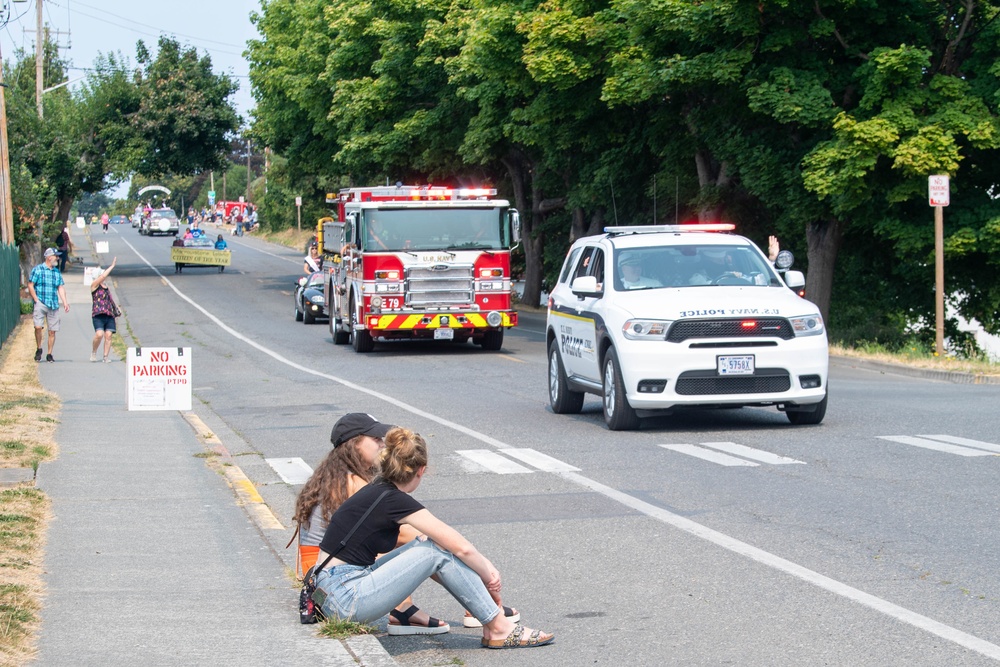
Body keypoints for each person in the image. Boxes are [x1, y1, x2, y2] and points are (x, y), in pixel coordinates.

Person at [312, 423, 553, 650]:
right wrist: (489, 574)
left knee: (428, 544)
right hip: (345, 598)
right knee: (435, 549)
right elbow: (461, 547)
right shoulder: (393, 500)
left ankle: (492, 620)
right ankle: (499, 627)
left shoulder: (377, 490)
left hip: (332, 591)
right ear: (421, 469)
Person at [294, 413, 458, 636]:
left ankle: (404, 609)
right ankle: (466, 603)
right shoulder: (352, 483)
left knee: (405, 541)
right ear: (354, 443)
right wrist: (448, 546)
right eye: (376, 440)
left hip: (318, 573)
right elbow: (406, 535)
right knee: (424, 545)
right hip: (334, 578)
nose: (383, 446)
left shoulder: (334, 476)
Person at [27, 248, 70, 363]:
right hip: (41, 301)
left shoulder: (56, 272)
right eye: (55, 256)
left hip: (53, 304)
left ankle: (49, 353)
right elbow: (31, 284)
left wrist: (65, 302)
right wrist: (36, 299)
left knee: (52, 330)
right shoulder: (38, 270)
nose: (57, 258)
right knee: (38, 327)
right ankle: (39, 348)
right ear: (49, 257)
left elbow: (60, 287)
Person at [90, 257, 119, 363]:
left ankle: (105, 356)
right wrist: (112, 266)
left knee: (109, 335)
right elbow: (103, 276)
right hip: (98, 314)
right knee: (99, 334)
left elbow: (109, 299)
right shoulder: (94, 285)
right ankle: (94, 352)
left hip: (108, 313)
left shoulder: (106, 286)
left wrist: (115, 309)